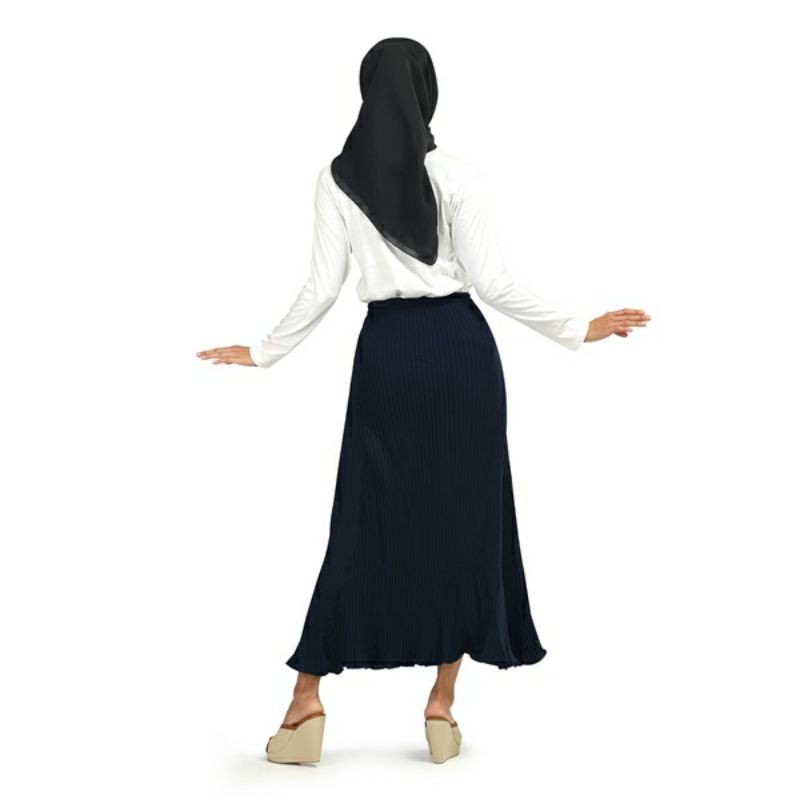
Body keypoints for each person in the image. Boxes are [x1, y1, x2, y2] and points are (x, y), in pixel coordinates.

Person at [196, 37, 649, 765]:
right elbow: (494, 284)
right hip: (461, 355)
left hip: (387, 359)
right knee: (465, 523)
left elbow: (321, 287)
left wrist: (265, 350)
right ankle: (442, 704)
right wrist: (576, 326)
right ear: (427, 92)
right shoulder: (456, 175)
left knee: (362, 522)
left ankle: (305, 701)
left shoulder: (336, 179)